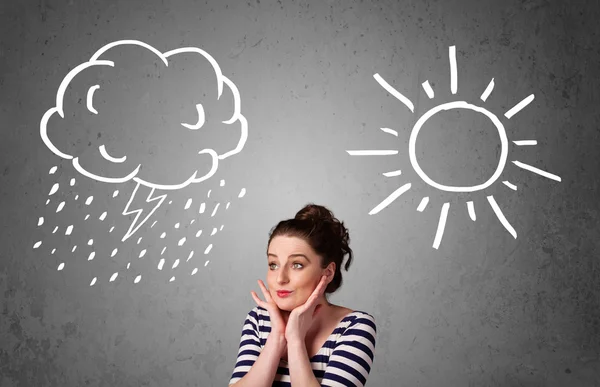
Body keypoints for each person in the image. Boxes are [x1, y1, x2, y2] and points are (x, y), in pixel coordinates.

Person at [228, 203, 377, 386]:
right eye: (273, 264)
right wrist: (277, 338)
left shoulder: (354, 327)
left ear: (328, 272)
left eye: (297, 264)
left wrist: (295, 341)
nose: (280, 278)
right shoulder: (258, 320)